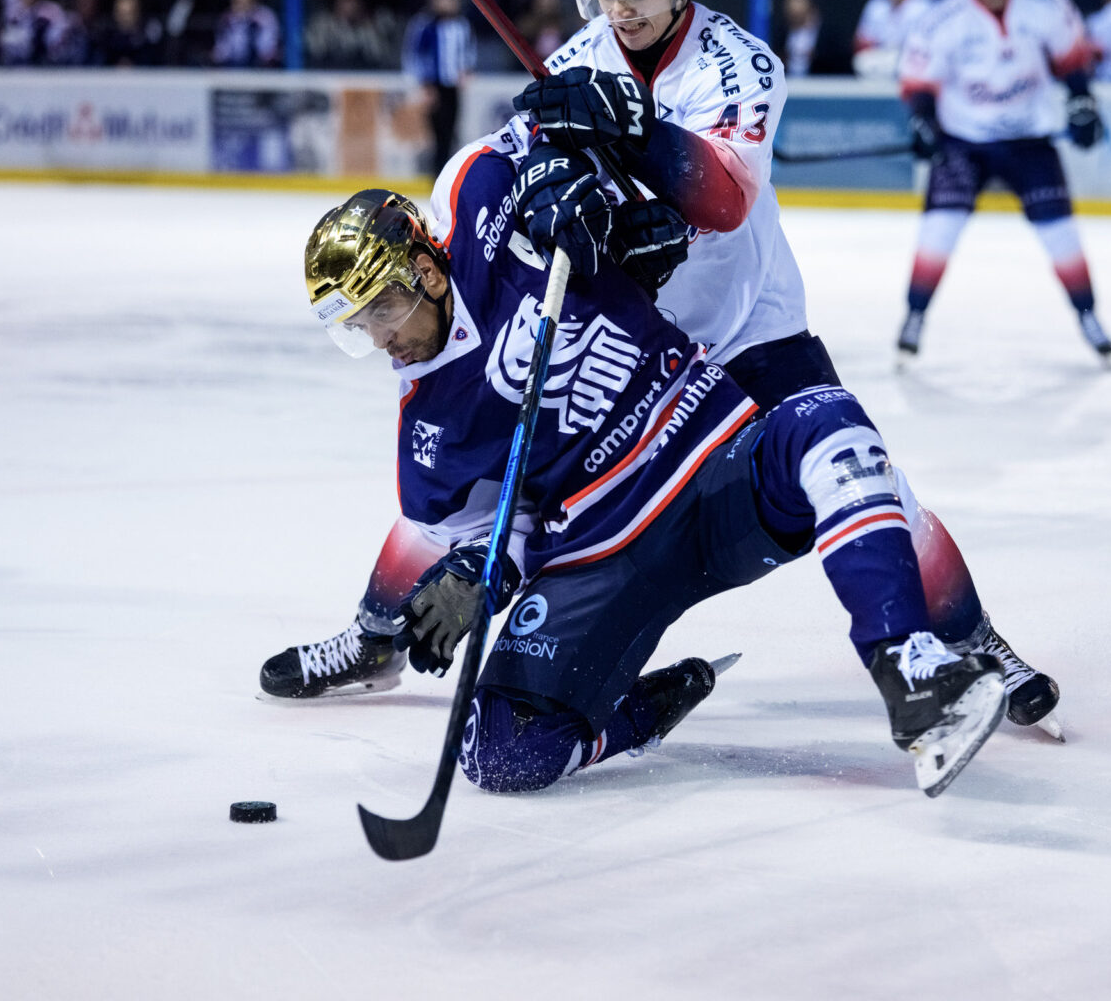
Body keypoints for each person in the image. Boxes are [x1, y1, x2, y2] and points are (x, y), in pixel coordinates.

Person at [260, 0, 1062, 747]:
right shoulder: (579, 59)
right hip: (641, 335)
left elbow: (720, 197)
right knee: (460, 479)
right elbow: (513, 159)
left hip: (750, 326)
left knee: (864, 475)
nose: (618, 11)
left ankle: (970, 642)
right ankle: (378, 638)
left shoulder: (739, 63)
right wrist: (547, 188)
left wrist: (634, 131)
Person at [290, 184, 1009, 795]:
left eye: (380, 310)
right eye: (358, 328)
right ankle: (645, 708)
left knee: (827, 423)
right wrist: (474, 571)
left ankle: (910, 667)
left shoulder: (485, 199)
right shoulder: (427, 435)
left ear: (428, 271)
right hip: (604, 556)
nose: (380, 340)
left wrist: (563, 183)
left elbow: (553, 137)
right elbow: (499, 525)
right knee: (501, 754)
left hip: (712, 463)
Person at [894, 0, 1111, 361]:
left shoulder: (1045, 3)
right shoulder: (942, 20)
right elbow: (917, 84)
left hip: (1029, 139)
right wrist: (923, 122)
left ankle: (1088, 316)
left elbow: (1073, 60)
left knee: (1062, 233)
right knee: (939, 231)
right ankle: (915, 315)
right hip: (962, 141)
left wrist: (1082, 102)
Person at [403, 0, 475, 174]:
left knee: (452, 129)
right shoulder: (425, 24)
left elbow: (468, 51)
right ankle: (436, 172)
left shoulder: (462, 24)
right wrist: (425, 84)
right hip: (433, 86)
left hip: (453, 86)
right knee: (437, 131)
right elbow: (416, 54)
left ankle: (449, 170)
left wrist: (466, 70)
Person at [852, 0, 933, 78]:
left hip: (911, 55)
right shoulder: (877, 5)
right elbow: (862, 40)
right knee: (861, 62)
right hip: (882, 55)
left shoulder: (922, 4)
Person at [0, 0, 70, 66]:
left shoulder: (52, 9)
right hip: (21, 62)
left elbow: (61, 34)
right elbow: (8, 40)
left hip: (49, 61)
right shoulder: (14, 13)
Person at [212, 0, 281, 67]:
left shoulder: (265, 17)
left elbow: (268, 49)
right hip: (231, 68)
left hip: (260, 68)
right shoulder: (226, 19)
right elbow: (222, 50)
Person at [96, 0, 163, 68]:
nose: (124, 18)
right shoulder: (106, 42)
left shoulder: (147, 43)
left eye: (129, 13)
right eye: (120, 13)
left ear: (138, 13)